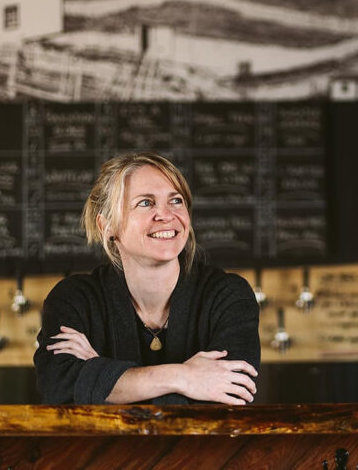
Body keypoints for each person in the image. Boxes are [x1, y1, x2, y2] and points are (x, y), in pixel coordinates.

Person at [34, 152, 260, 404]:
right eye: (145, 203)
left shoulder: (227, 295)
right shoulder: (73, 300)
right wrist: (184, 377)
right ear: (107, 226)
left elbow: (233, 392)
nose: (166, 215)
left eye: (176, 201)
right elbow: (59, 387)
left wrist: (99, 375)